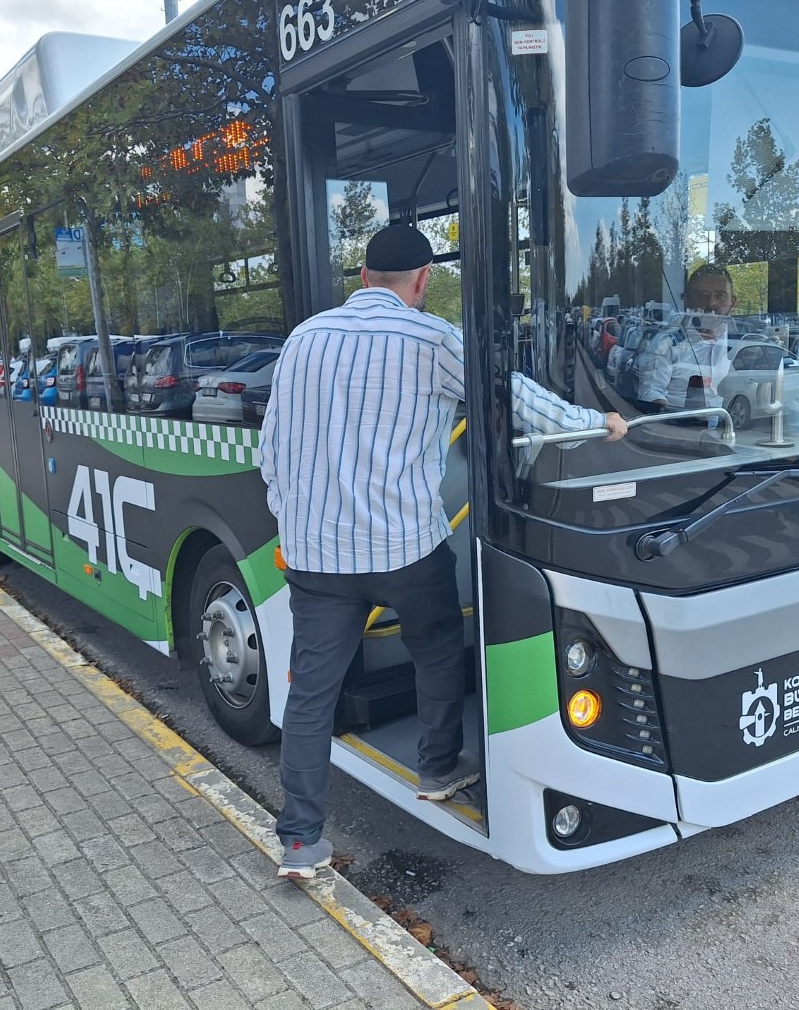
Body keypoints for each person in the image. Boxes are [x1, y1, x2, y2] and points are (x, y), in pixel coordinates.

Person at [259, 224, 627, 880]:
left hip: (316, 557)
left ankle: (300, 841)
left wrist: (295, 521)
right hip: (405, 547)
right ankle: (434, 768)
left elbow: (271, 452)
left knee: (311, 693)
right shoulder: (431, 338)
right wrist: (595, 422)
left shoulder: (303, 339)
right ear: (424, 279)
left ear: (364, 276)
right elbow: (516, 403)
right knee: (435, 650)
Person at [634, 264, 737, 414]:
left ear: (732, 302)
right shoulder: (666, 343)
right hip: (678, 427)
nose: (711, 303)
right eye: (702, 295)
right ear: (687, 300)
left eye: (720, 296)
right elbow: (650, 391)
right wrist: (660, 405)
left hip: (731, 425)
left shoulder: (740, 341)